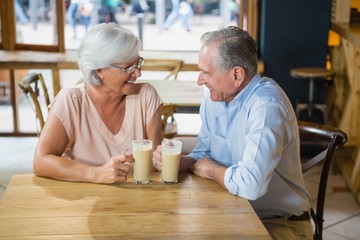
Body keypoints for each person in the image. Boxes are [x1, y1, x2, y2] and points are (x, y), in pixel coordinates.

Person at [152, 26, 313, 239]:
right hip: (232, 211)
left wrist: (210, 170)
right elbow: (205, 152)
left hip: (277, 222)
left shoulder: (266, 107)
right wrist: (185, 162)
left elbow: (250, 186)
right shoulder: (215, 99)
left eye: (206, 72)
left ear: (237, 75)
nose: (199, 80)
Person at [33, 23, 163, 184]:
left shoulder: (146, 96)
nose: (138, 73)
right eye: (128, 67)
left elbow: (155, 163)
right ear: (98, 70)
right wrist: (95, 174)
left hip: (136, 201)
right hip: (83, 203)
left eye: (138, 64)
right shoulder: (70, 101)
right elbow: (41, 162)